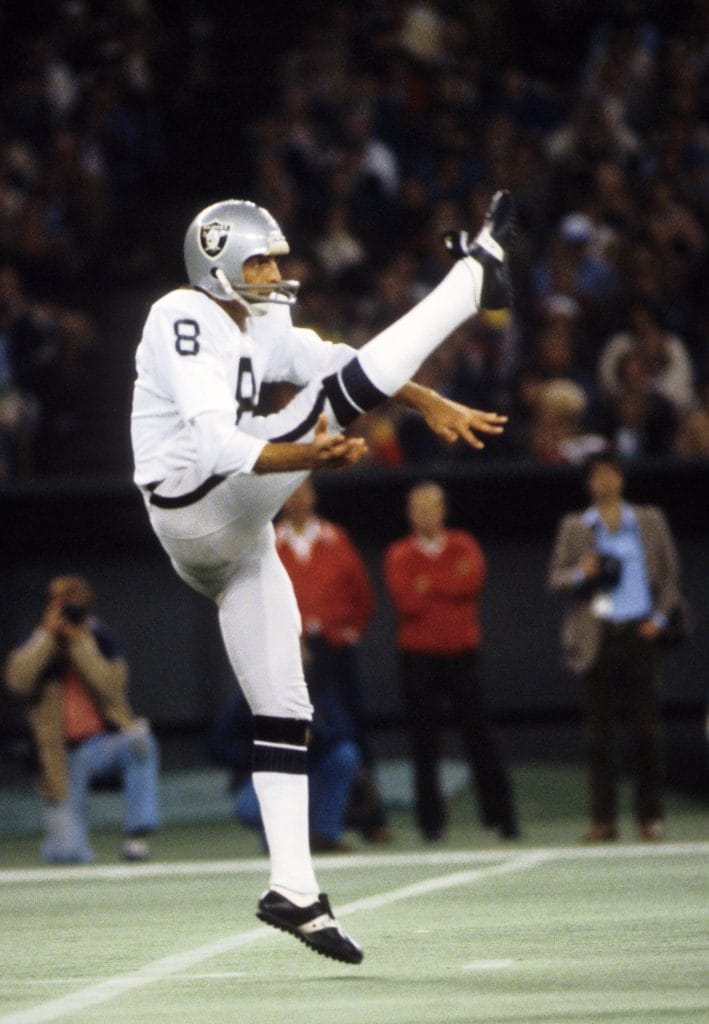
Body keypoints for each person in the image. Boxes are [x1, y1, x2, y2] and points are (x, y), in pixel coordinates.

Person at [130, 190, 514, 964]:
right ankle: (471, 283)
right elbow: (214, 446)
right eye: (259, 259)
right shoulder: (185, 315)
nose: (275, 271)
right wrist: (313, 450)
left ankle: (294, 891)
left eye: (275, 256)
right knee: (326, 409)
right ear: (216, 266)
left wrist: (424, 397)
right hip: (196, 506)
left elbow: (337, 361)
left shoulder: (257, 318)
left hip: (239, 534)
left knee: (285, 707)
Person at [547, 453, 683, 842]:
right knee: (598, 736)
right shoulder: (575, 527)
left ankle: (650, 818)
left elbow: (670, 575)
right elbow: (556, 580)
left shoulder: (649, 520)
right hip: (598, 635)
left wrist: (658, 619)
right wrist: (580, 572)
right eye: (597, 476)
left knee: (646, 732)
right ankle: (603, 820)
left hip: (639, 633)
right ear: (589, 483)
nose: (605, 482)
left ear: (621, 479)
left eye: (611, 474)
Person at [383, 481, 519, 843]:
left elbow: (471, 582)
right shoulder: (399, 554)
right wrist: (446, 585)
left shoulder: (464, 545)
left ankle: (502, 818)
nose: (426, 514)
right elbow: (406, 601)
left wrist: (430, 585)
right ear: (410, 514)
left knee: (480, 736)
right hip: (418, 656)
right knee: (424, 742)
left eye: (432, 506)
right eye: (418, 507)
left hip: (461, 654)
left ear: (443, 510)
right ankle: (431, 824)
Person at [4, 574, 160, 863]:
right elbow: (18, 681)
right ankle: (58, 843)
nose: (68, 610)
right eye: (61, 603)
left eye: (75, 603)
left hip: (103, 747)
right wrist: (48, 637)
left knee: (140, 740)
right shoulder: (37, 637)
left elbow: (113, 689)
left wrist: (81, 643)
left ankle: (136, 835)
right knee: (68, 855)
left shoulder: (99, 638)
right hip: (59, 758)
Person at [275, 478, 391, 844]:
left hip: (333, 649)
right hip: (286, 655)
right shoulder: (268, 542)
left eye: (303, 491)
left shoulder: (335, 538)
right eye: (290, 492)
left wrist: (347, 633)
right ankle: (300, 825)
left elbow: (361, 595)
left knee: (350, 729)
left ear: (313, 496)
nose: (297, 499)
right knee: (289, 733)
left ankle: (372, 818)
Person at [208, 682, 362, 854]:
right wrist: (262, 751)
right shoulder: (249, 696)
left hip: (312, 772)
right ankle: (281, 837)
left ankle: (322, 835)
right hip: (270, 774)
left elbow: (345, 731)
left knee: (345, 755)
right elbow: (217, 745)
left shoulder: (317, 689)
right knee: (249, 808)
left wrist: (315, 737)